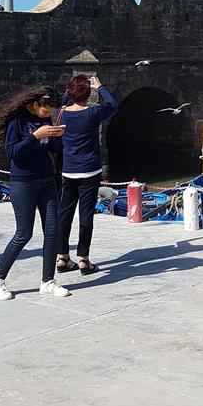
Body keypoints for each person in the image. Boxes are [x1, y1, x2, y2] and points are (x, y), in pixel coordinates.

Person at [0, 86, 71, 300]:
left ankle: (48, 281)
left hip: (46, 179)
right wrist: (35, 136)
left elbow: (53, 149)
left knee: (52, 231)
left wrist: (57, 136)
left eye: (51, 112)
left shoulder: (46, 119)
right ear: (34, 105)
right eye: (46, 111)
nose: (48, 115)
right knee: (24, 233)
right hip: (23, 181)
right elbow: (12, 152)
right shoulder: (18, 121)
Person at [55, 74, 118, 275]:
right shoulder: (92, 113)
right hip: (90, 170)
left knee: (64, 213)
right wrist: (100, 86)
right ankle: (84, 259)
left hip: (69, 169)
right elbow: (113, 105)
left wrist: (68, 93)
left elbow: (60, 104)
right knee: (85, 216)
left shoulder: (60, 113)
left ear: (70, 92)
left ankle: (63, 256)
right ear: (88, 93)